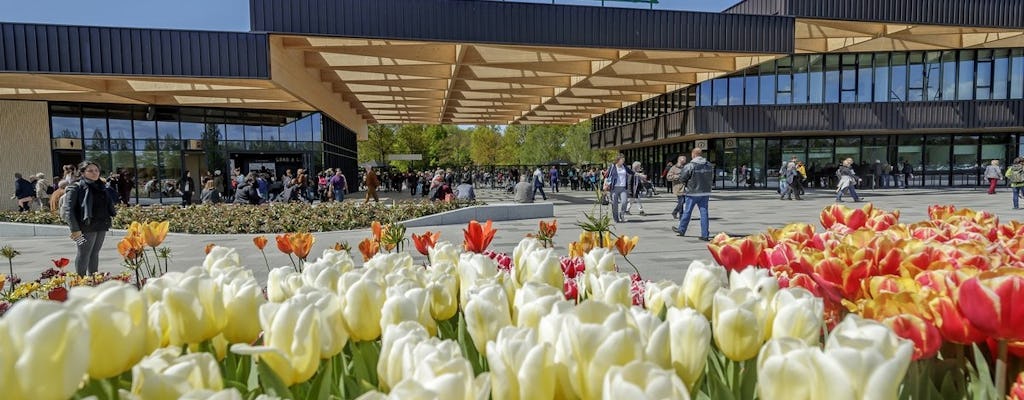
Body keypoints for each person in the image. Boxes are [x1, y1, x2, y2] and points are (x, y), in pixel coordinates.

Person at [62, 161, 117, 276]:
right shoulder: (75, 187)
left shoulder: (102, 187)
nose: (94, 173)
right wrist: (75, 230)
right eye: (90, 171)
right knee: (84, 253)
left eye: (96, 170)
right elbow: (69, 210)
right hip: (83, 228)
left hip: (101, 224)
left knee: (95, 253)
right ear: (82, 172)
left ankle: (94, 279)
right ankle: (80, 281)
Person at [674, 148, 714, 241]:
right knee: (704, 213)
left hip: (692, 192)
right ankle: (705, 234)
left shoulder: (690, 165)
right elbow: (711, 177)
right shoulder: (708, 165)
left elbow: (683, 177)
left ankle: (682, 230)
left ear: (694, 154)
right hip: (705, 192)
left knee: (687, 211)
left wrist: (686, 183)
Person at [605, 154, 635, 223]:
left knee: (624, 202)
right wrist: (605, 185)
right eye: (622, 160)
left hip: (623, 188)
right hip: (614, 188)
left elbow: (631, 172)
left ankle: (622, 215)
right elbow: (607, 176)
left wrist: (640, 175)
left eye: (624, 160)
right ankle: (616, 219)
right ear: (618, 160)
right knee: (614, 204)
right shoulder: (612, 167)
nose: (623, 161)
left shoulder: (624, 166)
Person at [666, 155, 687, 220]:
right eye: (683, 161)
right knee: (681, 201)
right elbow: (668, 177)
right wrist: (678, 176)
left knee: (683, 202)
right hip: (678, 187)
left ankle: (675, 212)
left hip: (686, 188)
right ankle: (680, 215)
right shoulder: (673, 168)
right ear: (679, 160)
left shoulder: (686, 167)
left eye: (685, 161)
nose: (684, 162)